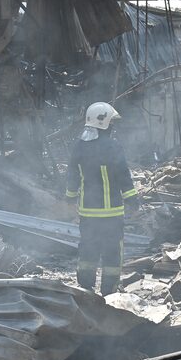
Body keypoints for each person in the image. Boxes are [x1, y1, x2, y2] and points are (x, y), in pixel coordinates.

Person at [65, 102, 139, 295]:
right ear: (104, 123)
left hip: (88, 212)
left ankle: (85, 287)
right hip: (112, 213)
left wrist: (70, 198)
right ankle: (109, 289)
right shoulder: (113, 147)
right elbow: (124, 176)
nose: (113, 127)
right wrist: (132, 200)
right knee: (112, 252)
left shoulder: (79, 147)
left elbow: (72, 176)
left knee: (88, 248)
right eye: (111, 123)